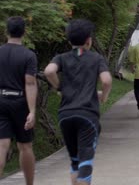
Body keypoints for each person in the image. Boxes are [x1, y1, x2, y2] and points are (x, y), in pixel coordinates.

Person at [44, 19, 113, 185]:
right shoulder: (96, 58)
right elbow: (106, 80)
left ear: (69, 41)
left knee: (75, 161)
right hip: (87, 115)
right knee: (86, 162)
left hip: (65, 115)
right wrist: (104, 96)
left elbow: (48, 71)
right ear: (89, 40)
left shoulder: (61, 58)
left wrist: (60, 88)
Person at [0, 17, 37, 185]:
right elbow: (30, 83)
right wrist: (32, 111)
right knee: (25, 146)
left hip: (1, 100)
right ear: (24, 32)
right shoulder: (29, 55)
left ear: (6, 31)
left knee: (1, 146)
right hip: (20, 101)